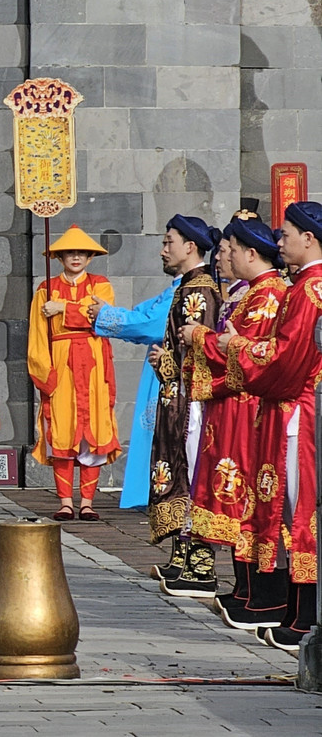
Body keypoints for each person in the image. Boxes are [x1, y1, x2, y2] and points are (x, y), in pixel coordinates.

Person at [210, 201, 322, 651]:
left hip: (300, 409)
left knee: (300, 512)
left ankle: (303, 616)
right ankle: (295, 612)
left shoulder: (309, 290)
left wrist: (235, 344)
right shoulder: (303, 286)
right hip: (294, 406)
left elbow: (284, 358)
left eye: (287, 235)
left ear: (309, 239)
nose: (280, 243)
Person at [181, 208, 286, 618]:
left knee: (249, 499)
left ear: (248, 252)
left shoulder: (269, 295)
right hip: (230, 409)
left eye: (227, 250)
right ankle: (243, 589)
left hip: (249, 409)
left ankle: (263, 594)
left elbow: (243, 354)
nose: (221, 257)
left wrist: (201, 337)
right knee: (233, 497)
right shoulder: (247, 293)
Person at [145, 215, 223, 589]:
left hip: (191, 400)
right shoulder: (188, 286)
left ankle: (201, 563)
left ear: (190, 246)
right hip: (179, 396)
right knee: (179, 471)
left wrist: (166, 362)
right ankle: (183, 554)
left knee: (193, 473)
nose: (164, 250)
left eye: (168, 242)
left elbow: (200, 354)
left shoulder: (200, 290)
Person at [28, 225, 121, 521]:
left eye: (82, 252)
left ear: (90, 257)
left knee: (94, 431)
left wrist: (62, 309)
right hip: (62, 364)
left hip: (93, 366)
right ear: (60, 256)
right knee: (63, 431)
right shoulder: (45, 289)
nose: (76, 257)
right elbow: (37, 336)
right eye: (70, 252)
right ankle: (66, 501)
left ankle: (88, 502)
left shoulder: (101, 285)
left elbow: (101, 317)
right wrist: (44, 372)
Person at [87, 275, 180, 510]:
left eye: (169, 242)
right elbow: (144, 313)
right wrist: (108, 314)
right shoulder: (176, 288)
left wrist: (107, 315)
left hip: (177, 371)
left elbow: (153, 323)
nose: (163, 251)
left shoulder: (192, 288)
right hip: (162, 365)